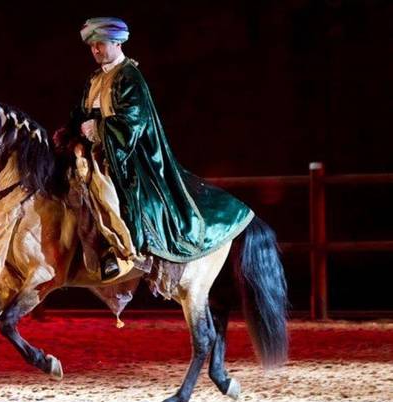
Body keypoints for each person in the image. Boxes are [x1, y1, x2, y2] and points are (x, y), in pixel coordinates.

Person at [57, 17, 254, 280]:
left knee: (105, 191)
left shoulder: (129, 76)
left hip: (126, 154)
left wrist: (100, 128)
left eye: (100, 44)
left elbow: (134, 120)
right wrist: (69, 130)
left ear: (117, 43)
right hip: (93, 150)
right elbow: (81, 112)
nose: (95, 50)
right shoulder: (95, 79)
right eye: (92, 46)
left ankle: (123, 250)